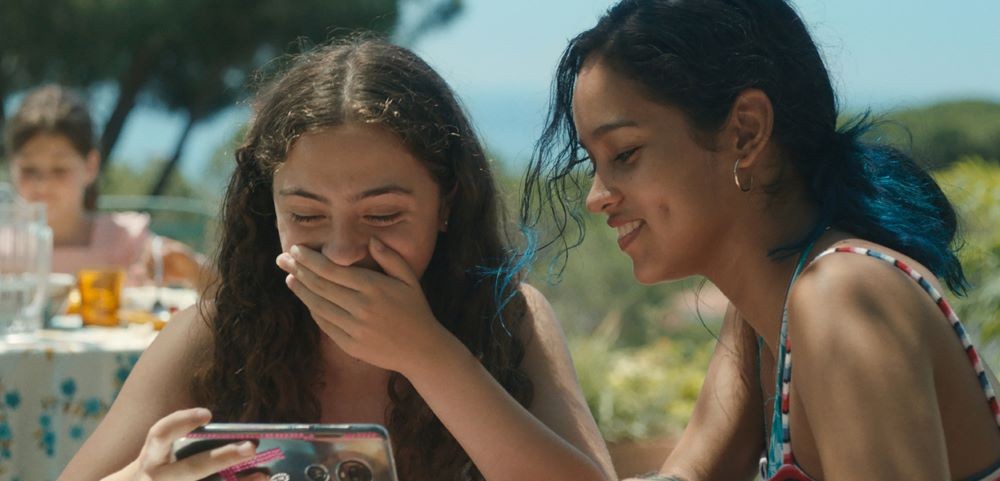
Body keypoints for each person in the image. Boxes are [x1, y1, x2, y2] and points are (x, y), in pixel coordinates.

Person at [61, 38, 614, 481]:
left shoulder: (510, 318)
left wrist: (429, 354)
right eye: (306, 216)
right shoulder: (216, 334)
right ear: (268, 209)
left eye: (383, 217)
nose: (344, 252)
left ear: (447, 203)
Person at [520, 1, 1000, 480]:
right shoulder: (762, 321)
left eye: (624, 153)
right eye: (595, 162)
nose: (596, 197)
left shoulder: (842, 296)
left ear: (747, 131)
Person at [4, 85, 208, 289]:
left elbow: (223, 295)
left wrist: (192, 270)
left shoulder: (125, 241)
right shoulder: (4, 246)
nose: (43, 183)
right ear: (12, 166)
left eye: (59, 169)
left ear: (90, 166)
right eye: (29, 170)